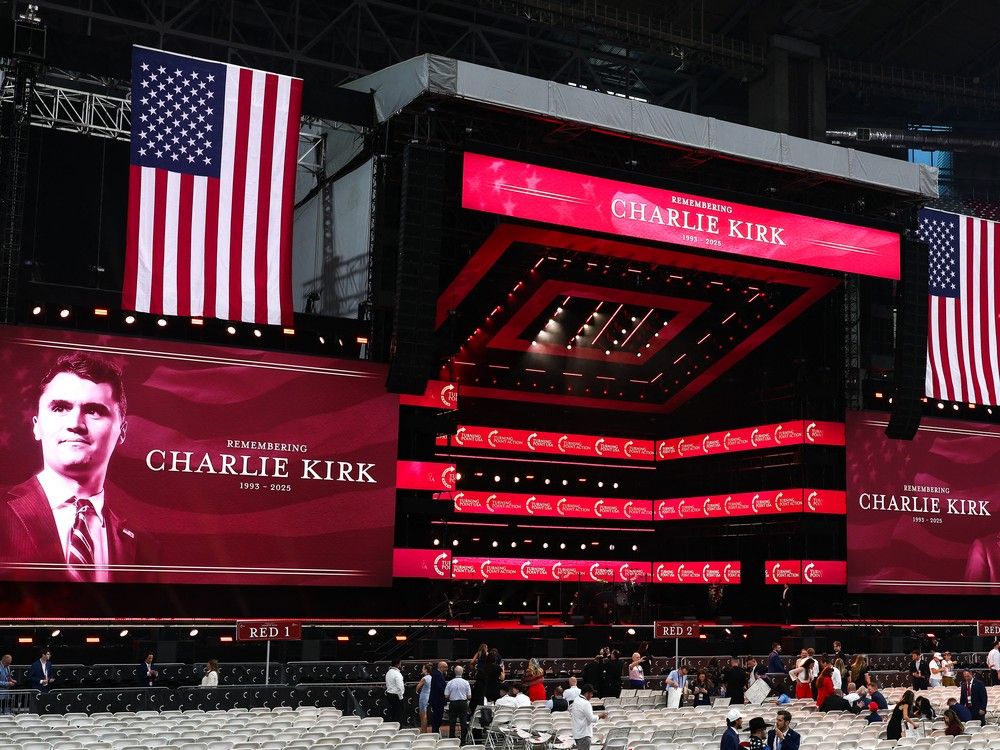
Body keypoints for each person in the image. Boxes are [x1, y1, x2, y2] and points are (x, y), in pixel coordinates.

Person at [0, 353, 157, 583]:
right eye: (60, 408)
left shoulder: (143, 547)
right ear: (37, 426)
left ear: (122, 431)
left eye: (94, 410)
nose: (75, 424)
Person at [570, 683, 605, 750]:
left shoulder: (576, 699)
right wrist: (600, 716)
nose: (592, 696)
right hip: (584, 735)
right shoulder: (586, 703)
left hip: (577, 734)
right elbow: (592, 719)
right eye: (591, 693)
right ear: (586, 693)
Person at [445, 664, 472, 742]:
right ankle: (463, 740)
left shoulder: (450, 683)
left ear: (454, 672)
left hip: (453, 703)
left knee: (452, 721)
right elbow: (469, 696)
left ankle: (452, 739)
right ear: (462, 672)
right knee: (463, 722)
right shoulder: (466, 682)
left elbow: (446, 695)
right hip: (463, 703)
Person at [385, 658, 405, 725]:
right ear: (398, 664)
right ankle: (398, 728)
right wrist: (401, 696)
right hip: (396, 696)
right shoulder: (397, 674)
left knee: (392, 713)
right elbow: (400, 687)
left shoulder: (388, 672)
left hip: (389, 695)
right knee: (399, 714)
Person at [430, 661, 448, 734]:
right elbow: (439, 687)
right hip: (437, 700)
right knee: (437, 717)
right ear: (441, 667)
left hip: (439, 700)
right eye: (446, 667)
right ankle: (435, 732)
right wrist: (446, 693)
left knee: (438, 717)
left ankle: (436, 731)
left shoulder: (439, 674)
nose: (447, 669)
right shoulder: (437, 675)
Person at [416, 663, 433, 733]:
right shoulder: (431, 677)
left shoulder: (424, 678)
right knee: (424, 714)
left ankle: (424, 731)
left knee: (423, 714)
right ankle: (424, 730)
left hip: (424, 696)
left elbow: (417, 687)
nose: (422, 670)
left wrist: (417, 691)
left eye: (423, 668)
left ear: (426, 670)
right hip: (429, 695)